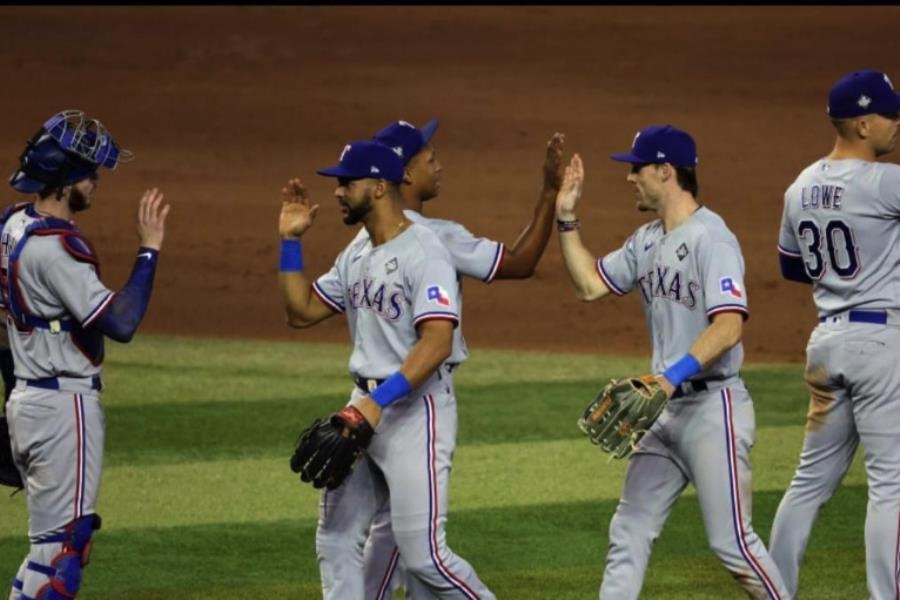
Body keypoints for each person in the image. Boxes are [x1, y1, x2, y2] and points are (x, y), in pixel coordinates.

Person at [555, 125, 788, 599]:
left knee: (734, 545)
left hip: (712, 408)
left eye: (635, 169)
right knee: (629, 531)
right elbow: (589, 286)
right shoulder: (646, 240)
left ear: (666, 171)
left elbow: (728, 327)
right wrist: (566, 219)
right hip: (662, 412)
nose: (629, 178)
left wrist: (668, 378)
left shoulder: (713, 239)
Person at [278, 140, 495, 599]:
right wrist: (290, 242)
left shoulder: (426, 251)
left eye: (346, 183)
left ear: (378, 187)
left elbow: (437, 342)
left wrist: (376, 404)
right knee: (335, 537)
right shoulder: (356, 253)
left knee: (424, 558)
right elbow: (300, 312)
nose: (337, 192)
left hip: (416, 410)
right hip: (365, 407)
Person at [357, 119, 564, 599]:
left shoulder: (369, 239)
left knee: (410, 551)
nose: (439, 165)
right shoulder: (432, 238)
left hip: (402, 399)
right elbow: (521, 262)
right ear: (403, 175)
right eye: (429, 158)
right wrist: (549, 194)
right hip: (399, 403)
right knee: (398, 552)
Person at [2, 110, 169, 599]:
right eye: (86, 174)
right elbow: (120, 322)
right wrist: (150, 250)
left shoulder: (12, 224)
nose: (95, 182)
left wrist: (12, 397)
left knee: (48, 549)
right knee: (63, 555)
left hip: (30, 401)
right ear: (62, 181)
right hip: (62, 410)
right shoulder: (55, 249)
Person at [769, 69, 900, 600]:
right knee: (890, 484)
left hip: (826, 344)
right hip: (880, 346)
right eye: (891, 116)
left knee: (807, 485)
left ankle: (772, 591)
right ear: (865, 123)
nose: (897, 125)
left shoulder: (799, 187)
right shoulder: (886, 183)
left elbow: (792, 267)